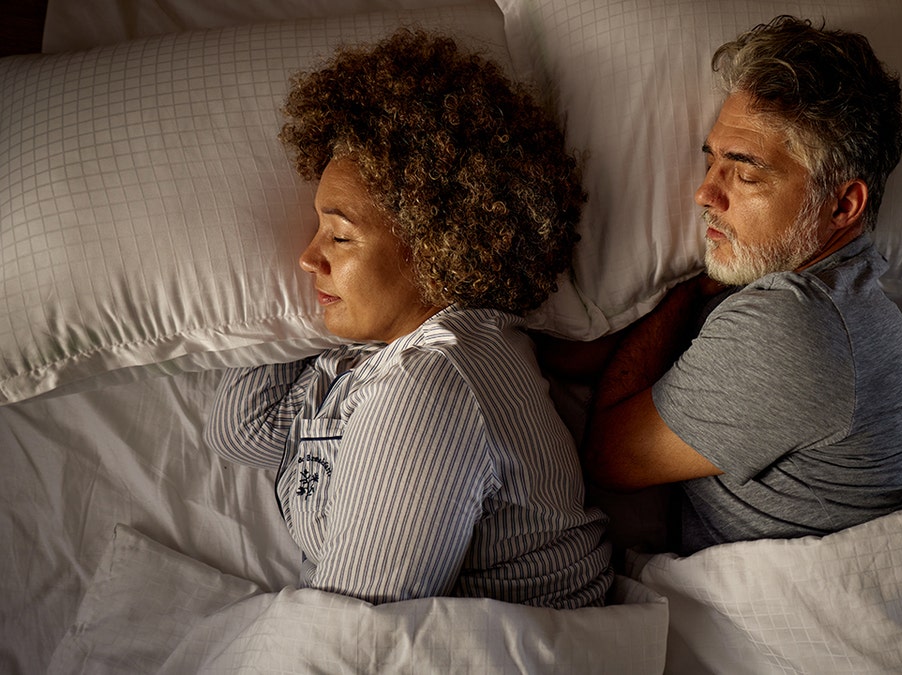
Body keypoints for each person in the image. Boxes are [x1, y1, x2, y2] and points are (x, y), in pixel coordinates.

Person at [204, 28, 613, 608]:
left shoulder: (432, 382)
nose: (306, 256)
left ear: (433, 247)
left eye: (340, 235)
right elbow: (244, 433)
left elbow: (354, 628)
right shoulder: (377, 352)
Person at [583, 16, 902, 555]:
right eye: (711, 161)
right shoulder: (843, 299)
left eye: (745, 173)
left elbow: (608, 456)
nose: (706, 193)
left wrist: (686, 291)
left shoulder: (796, 324)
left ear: (842, 205)